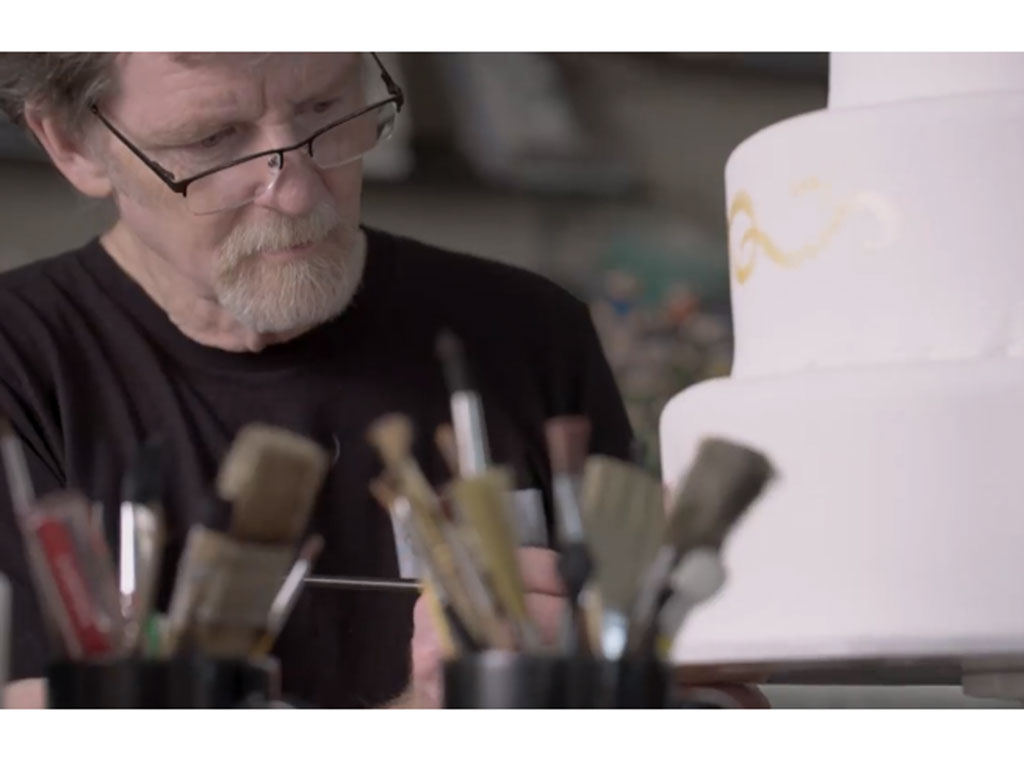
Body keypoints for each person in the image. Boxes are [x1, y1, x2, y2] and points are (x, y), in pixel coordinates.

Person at [0, 52, 635, 708]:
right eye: (212, 141)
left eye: (325, 109)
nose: (299, 193)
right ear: (71, 144)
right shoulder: (19, 366)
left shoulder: (530, 330)